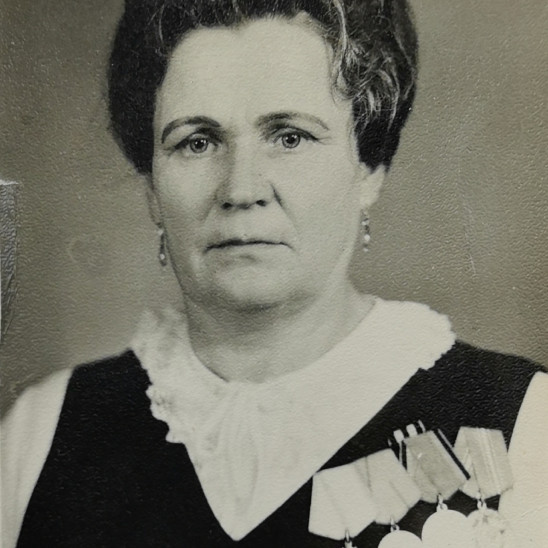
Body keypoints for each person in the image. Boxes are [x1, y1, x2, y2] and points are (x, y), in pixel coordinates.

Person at [2, 0, 546, 546]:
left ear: (368, 168)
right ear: (151, 189)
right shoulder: (41, 430)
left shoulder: (526, 420)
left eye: (290, 137)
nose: (241, 189)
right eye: (197, 142)